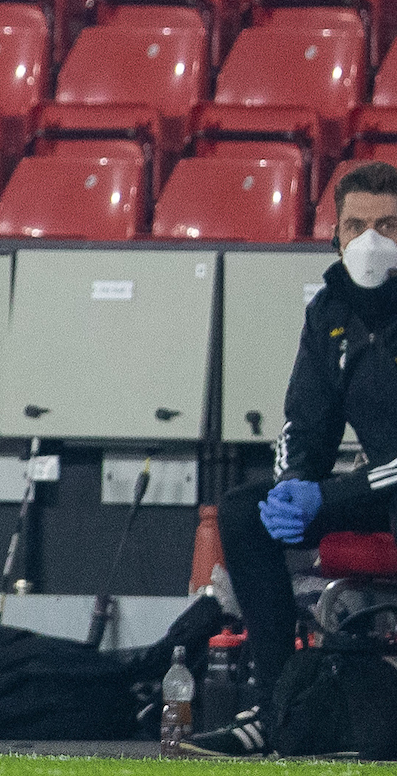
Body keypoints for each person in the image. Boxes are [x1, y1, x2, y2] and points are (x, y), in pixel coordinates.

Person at [184, 159, 397, 757]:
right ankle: (278, 707)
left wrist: (327, 496)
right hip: (375, 491)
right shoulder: (328, 313)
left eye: (389, 224)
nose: (371, 240)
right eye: (357, 226)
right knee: (244, 511)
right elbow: (304, 424)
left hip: (384, 490)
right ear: (336, 235)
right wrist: (293, 483)